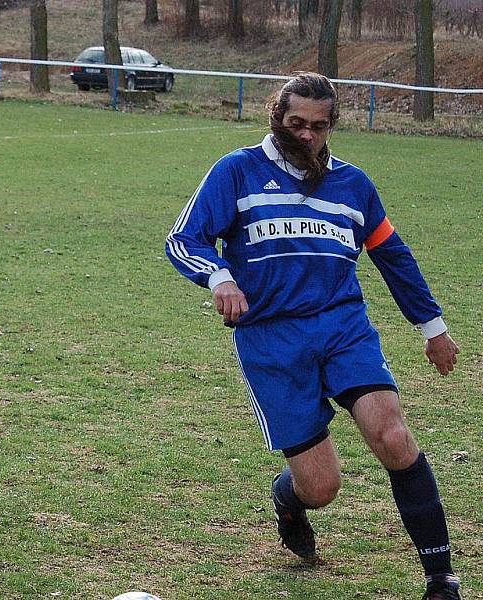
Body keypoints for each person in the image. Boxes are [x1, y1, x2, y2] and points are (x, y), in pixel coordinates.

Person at [166, 73, 462, 600]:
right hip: (272, 342)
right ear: (277, 117)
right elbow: (182, 239)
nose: (305, 135)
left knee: (393, 438)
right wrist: (220, 276)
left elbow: (393, 257)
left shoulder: (354, 185)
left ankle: (441, 579)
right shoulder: (237, 171)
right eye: (295, 123)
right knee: (321, 489)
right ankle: (289, 499)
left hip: (342, 328)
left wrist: (433, 328)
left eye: (317, 127)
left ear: (331, 127)